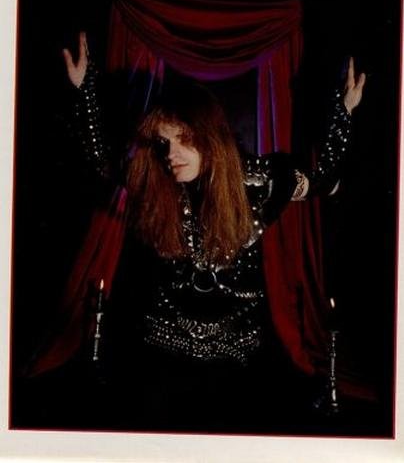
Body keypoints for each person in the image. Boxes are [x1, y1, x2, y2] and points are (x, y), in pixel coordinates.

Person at [23, 32, 366, 433]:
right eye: (164, 142)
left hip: (238, 355)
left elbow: (322, 180)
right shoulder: (156, 180)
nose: (171, 154)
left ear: (210, 136)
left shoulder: (262, 181)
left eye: (183, 139)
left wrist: (344, 111)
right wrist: (84, 90)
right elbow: (102, 161)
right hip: (163, 346)